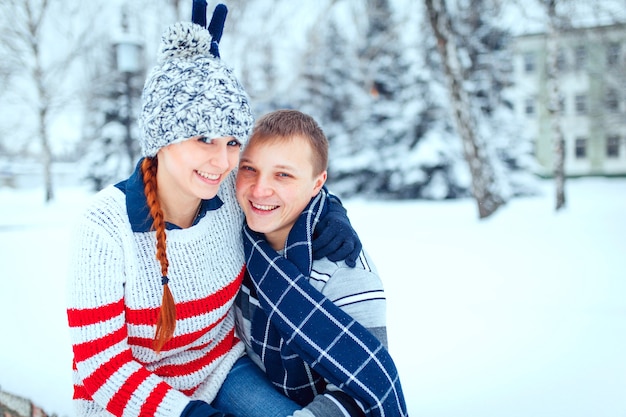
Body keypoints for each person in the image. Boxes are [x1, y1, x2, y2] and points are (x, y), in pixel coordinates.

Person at [65, 3, 361, 417]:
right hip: (126, 398)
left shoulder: (226, 199)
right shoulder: (105, 227)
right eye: (204, 139)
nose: (222, 162)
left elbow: (280, 194)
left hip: (220, 371)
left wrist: (328, 211)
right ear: (162, 138)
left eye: (231, 142)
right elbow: (101, 365)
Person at [224, 110, 407, 417]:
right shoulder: (236, 227)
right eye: (249, 169)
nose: (259, 189)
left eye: (283, 174)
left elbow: (362, 393)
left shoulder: (346, 273)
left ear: (317, 184)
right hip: (240, 378)